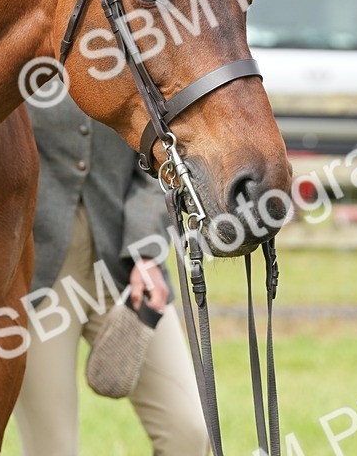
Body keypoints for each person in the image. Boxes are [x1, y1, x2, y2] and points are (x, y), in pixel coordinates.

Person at [12, 89, 209, 456]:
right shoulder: (19, 51)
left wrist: (147, 253)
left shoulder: (136, 54)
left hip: (127, 268)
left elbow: (163, 164)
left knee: (189, 433)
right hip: (37, 278)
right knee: (50, 449)